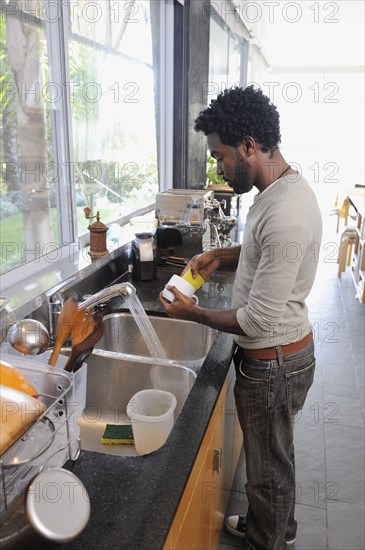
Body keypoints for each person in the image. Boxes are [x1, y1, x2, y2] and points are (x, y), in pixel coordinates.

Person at [159, 85, 322, 550]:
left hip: (273, 362)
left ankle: (267, 540)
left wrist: (193, 314)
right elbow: (264, 252)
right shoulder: (278, 191)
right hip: (284, 356)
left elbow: (256, 321)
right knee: (274, 455)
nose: (218, 167)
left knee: (267, 469)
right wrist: (223, 254)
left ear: (250, 145)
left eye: (221, 156)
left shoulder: (286, 210)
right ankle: (277, 527)